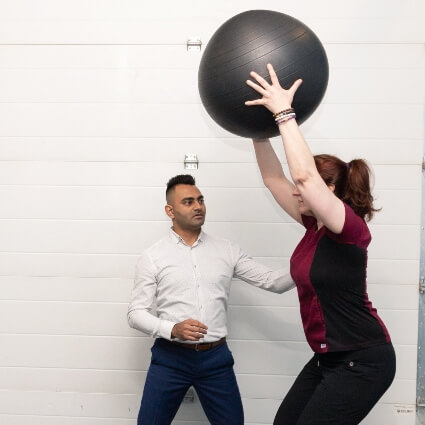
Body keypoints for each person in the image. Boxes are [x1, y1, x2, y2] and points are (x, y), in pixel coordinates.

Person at [245, 64, 396, 425]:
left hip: (363, 359)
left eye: (308, 187)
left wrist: (283, 113)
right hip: (329, 357)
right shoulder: (313, 226)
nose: (297, 191)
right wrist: (254, 129)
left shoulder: (349, 228)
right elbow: (272, 177)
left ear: (329, 191)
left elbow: (301, 176)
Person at [128, 174, 295, 425]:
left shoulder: (226, 250)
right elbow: (135, 313)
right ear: (170, 210)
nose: (198, 206)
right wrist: (172, 329)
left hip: (215, 361)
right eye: (188, 202)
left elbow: (274, 281)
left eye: (200, 200)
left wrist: (312, 260)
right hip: (170, 360)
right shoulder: (153, 256)